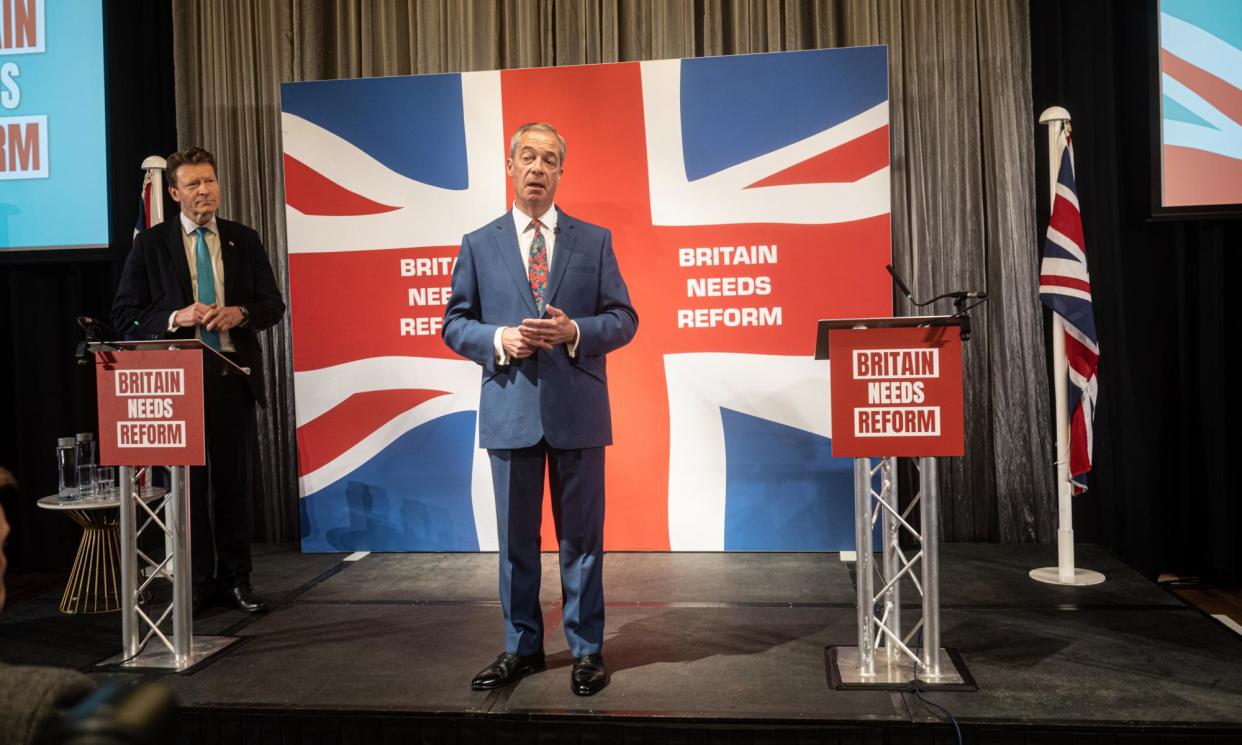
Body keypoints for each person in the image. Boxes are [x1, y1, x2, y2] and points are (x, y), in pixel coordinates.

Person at [443, 123, 638, 696]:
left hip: (577, 412)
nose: (537, 168)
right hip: (510, 412)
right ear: (510, 164)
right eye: (527, 156)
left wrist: (574, 329)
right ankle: (522, 648)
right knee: (516, 542)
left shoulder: (593, 240)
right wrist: (502, 340)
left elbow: (624, 319)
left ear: (560, 172)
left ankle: (586, 651)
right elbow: (455, 323)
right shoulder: (479, 243)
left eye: (548, 159)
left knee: (580, 539)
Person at [112, 147, 286, 615]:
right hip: (177, 386)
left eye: (210, 180)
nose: (205, 190)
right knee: (188, 487)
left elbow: (273, 304)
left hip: (231, 377)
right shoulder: (150, 246)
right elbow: (124, 318)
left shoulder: (242, 239)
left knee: (232, 486)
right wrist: (174, 316)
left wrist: (242, 313)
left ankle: (237, 580)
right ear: (173, 193)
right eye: (193, 184)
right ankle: (198, 581)